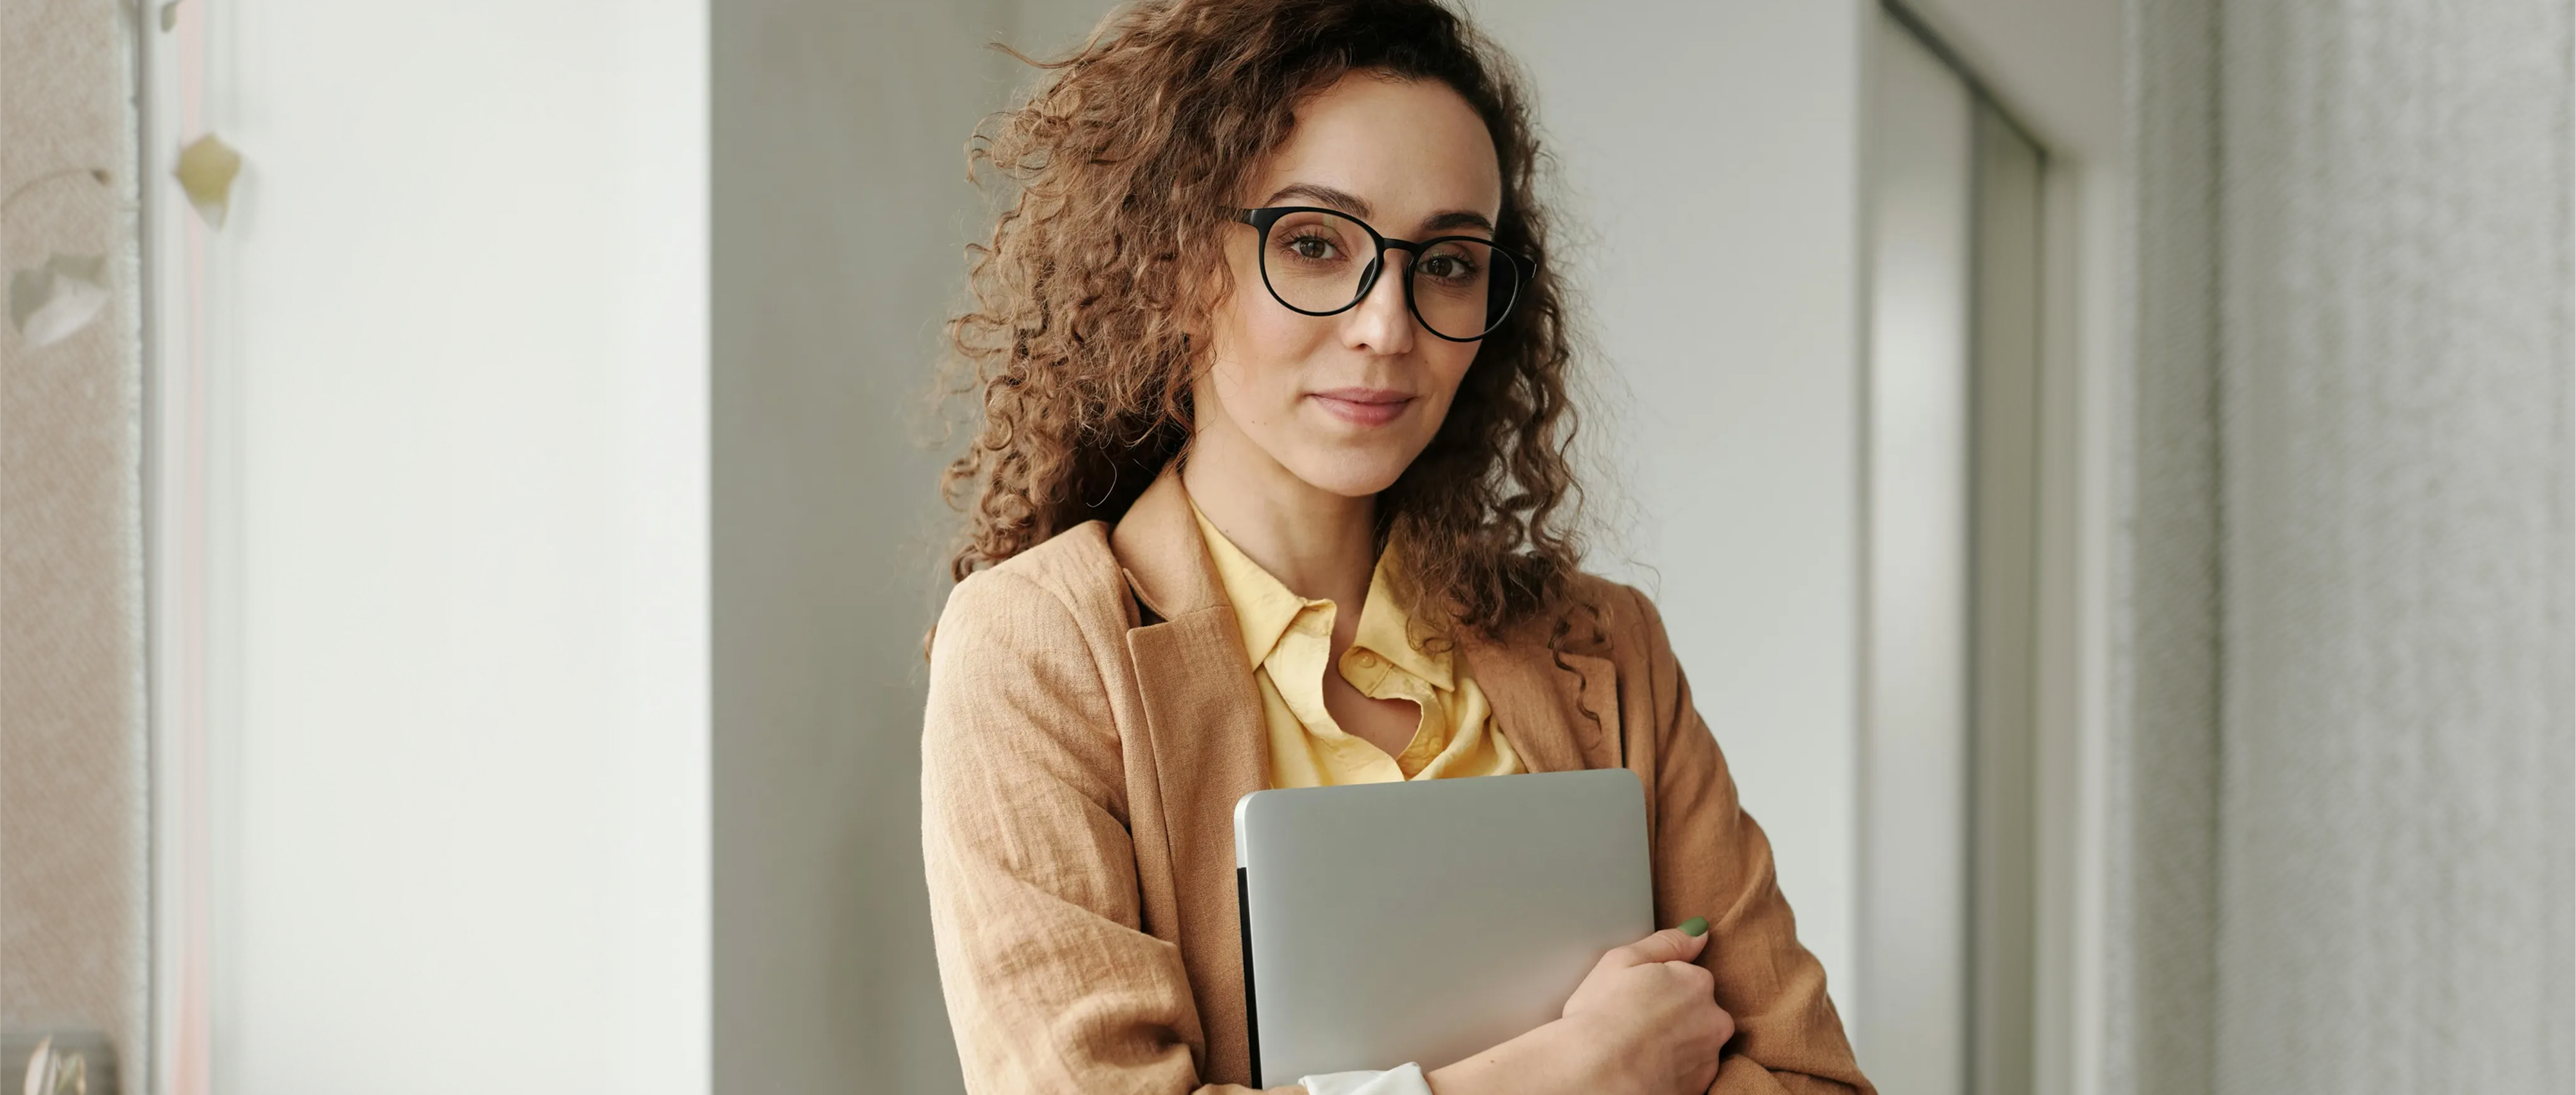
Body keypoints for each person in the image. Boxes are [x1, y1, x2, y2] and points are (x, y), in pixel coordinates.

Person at [920, 2, 1871, 1092]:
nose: (1389, 325)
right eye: (1316, 245)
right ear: (1176, 257)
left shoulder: (1606, 647)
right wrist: (1575, 1071)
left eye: (1451, 262)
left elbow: (1811, 1080)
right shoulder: (1040, 650)